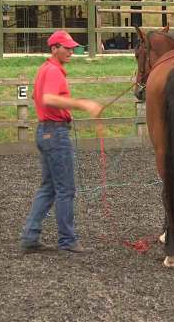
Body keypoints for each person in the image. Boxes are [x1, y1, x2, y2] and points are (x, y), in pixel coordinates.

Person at [21, 31, 103, 254]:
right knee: (65, 189)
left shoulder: (44, 70)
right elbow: (48, 98)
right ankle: (67, 241)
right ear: (54, 49)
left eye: (72, 47)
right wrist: (82, 104)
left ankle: (30, 238)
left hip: (45, 131)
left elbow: (39, 99)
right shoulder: (54, 71)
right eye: (66, 47)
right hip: (56, 134)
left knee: (49, 187)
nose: (71, 51)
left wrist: (64, 112)